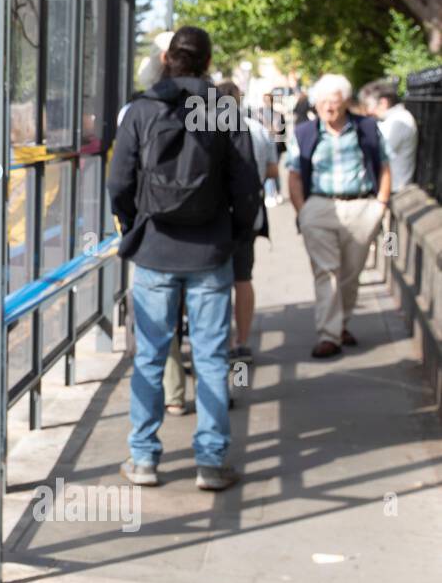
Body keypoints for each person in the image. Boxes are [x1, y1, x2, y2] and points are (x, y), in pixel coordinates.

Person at [109, 27, 261, 491]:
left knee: (151, 357)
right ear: (207, 61)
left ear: (167, 60)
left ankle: (143, 459)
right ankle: (211, 463)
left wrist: (136, 222)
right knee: (213, 358)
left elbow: (119, 182)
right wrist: (233, 235)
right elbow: (246, 185)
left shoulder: (142, 109)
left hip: (155, 249)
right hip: (210, 251)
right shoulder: (222, 110)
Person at [288, 74, 391, 358]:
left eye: (333, 103)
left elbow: (384, 165)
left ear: (346, 102)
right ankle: (329, 335)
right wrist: (303, 211)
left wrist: (380, 205)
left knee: (350, 274)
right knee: (326, 273)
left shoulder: (367, 128)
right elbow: (294, 175)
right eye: (322, 103)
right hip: (320, 207)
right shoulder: (305, 132)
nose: (327, 109)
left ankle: (340, 324)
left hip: (360, 207)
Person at [217, 81, 277, 364]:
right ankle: (242, 341)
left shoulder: (207, 127)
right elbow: (273, 170)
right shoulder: (257, 129)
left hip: (216, 220)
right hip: (249, 215)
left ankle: (224, 341)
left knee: (215, 282)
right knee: (243, 277)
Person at [359, 79, 418, 194]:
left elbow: (375, 153)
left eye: (368, 106)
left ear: (383, 103)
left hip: (394, 189)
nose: (367, 112)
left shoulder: (399, 121)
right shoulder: (393, 119)